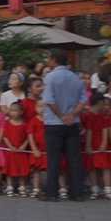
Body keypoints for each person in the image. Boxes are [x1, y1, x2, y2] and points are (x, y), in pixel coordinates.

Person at [41, 50, 87, 201]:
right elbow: (83, 101)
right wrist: (72, 115)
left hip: (54, 123)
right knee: (74, 159)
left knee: (53, 159)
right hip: (73, 123)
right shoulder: (76, 78)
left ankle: (52, 193)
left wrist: (61, 116)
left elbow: (49, 100)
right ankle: (77, 192)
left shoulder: (50, 77)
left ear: (54, 60)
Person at [1, 101, 35, 197]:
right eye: (11, 110)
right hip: (11, 151)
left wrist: (24, 146)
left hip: (21, 151)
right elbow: (5, 136)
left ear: (21, 112)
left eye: (15, 111)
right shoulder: (7, 123)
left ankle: (22, 187)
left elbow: (28, 136)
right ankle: (10, 186)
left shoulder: (25, 124)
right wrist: (10, 146)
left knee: (22, 170)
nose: (13, 113)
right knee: (9, 169)